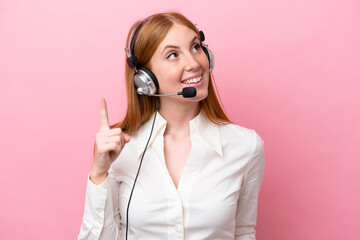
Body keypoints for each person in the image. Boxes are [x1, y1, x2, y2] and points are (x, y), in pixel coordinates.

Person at [79, 12, 265, 240]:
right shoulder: (120, 149)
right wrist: (99, 174)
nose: (194, 63)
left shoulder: (246, 146)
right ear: (145, 77)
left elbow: (243, 232)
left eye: (196, 47)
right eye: (173, 55)